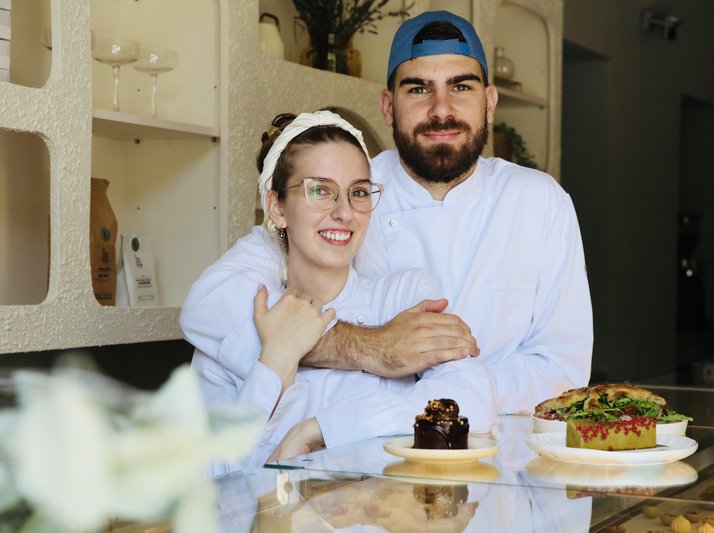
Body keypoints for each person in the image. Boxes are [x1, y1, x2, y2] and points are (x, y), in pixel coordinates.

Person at [181, 10, 592, 455]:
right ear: (388, 105)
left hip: (508, 457)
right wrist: (373, 349)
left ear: (489, 102)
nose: (441, 110)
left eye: (461, 86)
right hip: (374, 459)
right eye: (418, 88)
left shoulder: (539, 200)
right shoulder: (350, 189)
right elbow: (213, 305)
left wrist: (431, 373)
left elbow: (561, 373)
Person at [192, 110, 495, 474]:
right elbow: (213, 480)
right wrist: (275, 361)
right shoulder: (242, 316)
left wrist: (324, 430)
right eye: (320, 191)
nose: (344, 213)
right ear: (277, 208)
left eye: (358, 193)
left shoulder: (403, 295)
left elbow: (472, 399)